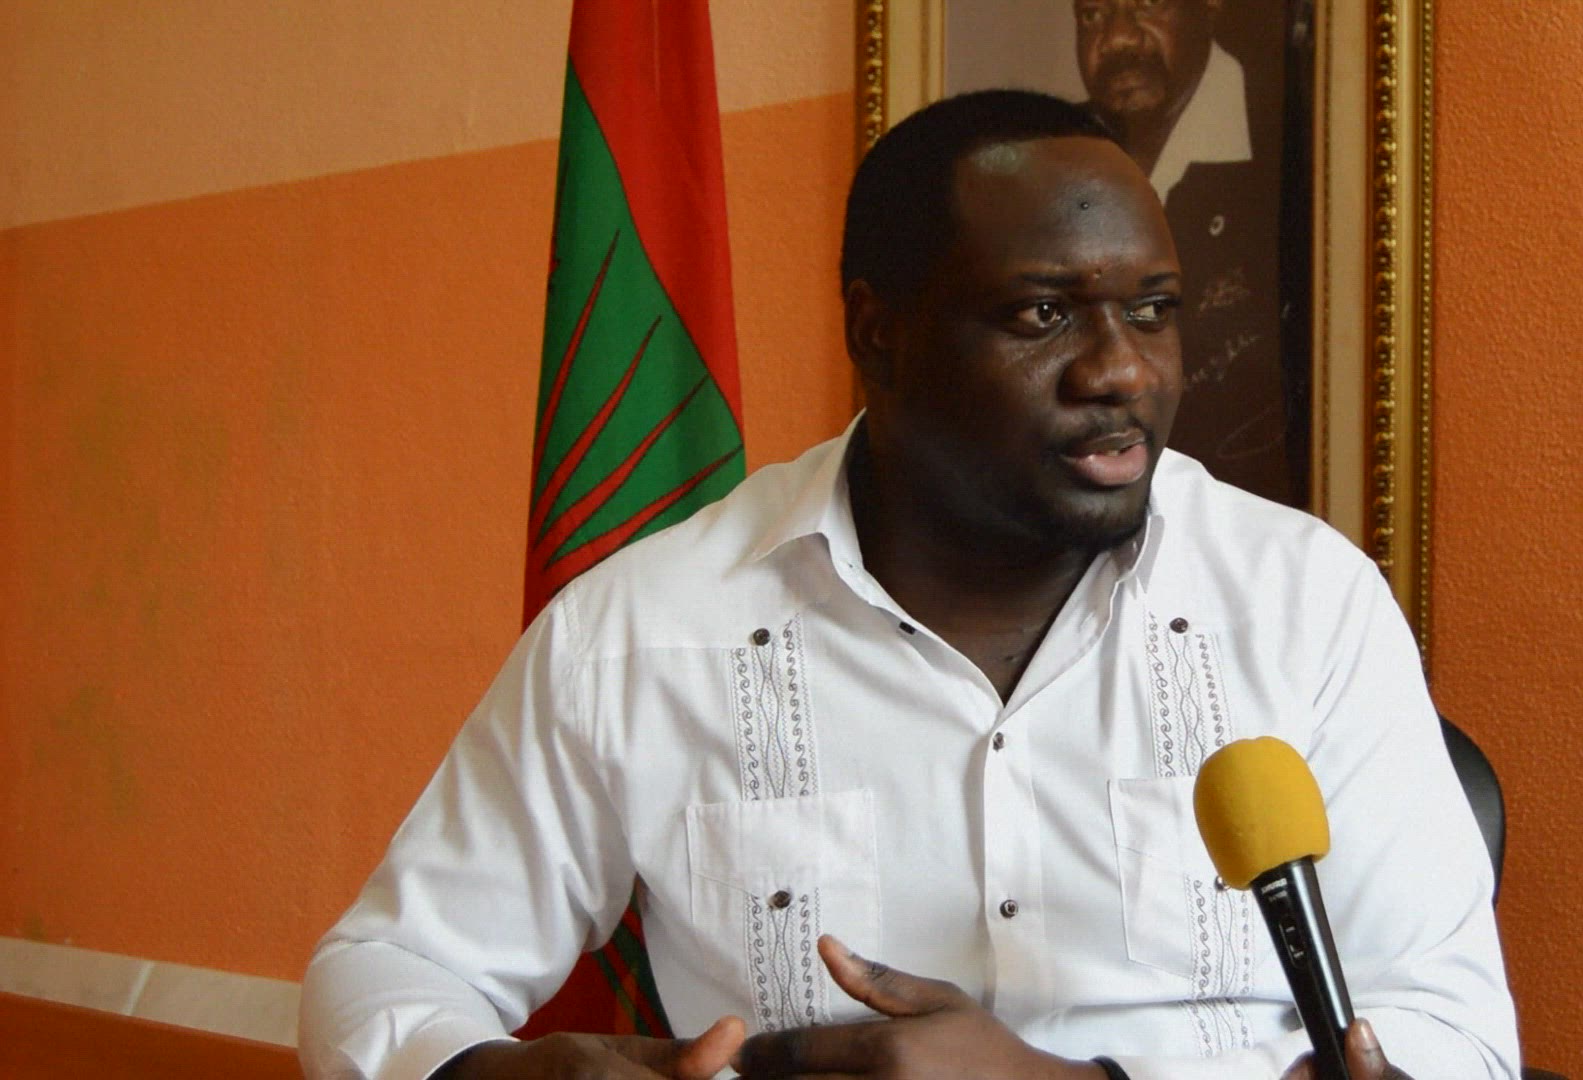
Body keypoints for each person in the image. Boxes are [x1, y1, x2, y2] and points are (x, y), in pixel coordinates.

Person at [300, 90, 1518, 1080]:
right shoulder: (642, 635)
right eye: (1043, 313)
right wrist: (481, 1073)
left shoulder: (1304, 606)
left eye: (1153, 311)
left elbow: (1453, 1036)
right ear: (878, 331)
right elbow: (386, 969)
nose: (1122, 372)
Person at [1073, 0, 1305, 509]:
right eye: (1092, 15)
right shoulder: (1057, 158)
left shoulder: (1300, 149)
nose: (1118, 38)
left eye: (1147, 6)